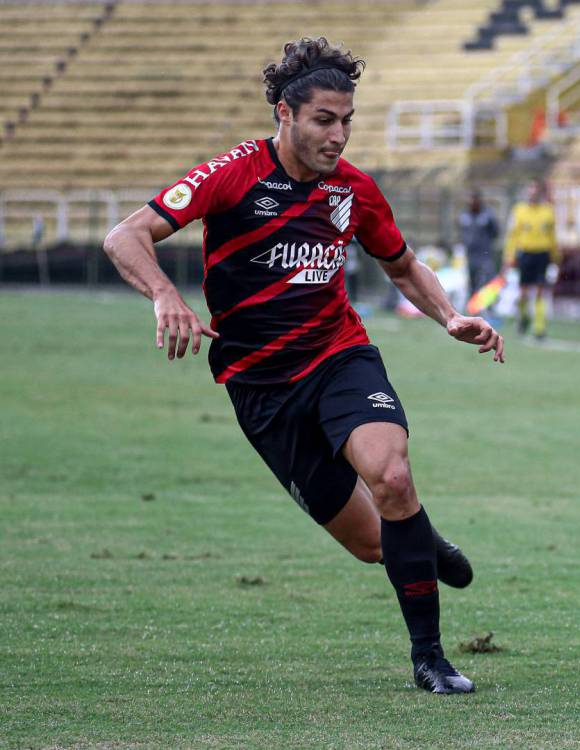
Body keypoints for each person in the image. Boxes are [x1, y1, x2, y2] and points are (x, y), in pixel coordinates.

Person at [101, 37, 504, 695]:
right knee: (373, 544)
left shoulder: (354, 189)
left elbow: (402, 265)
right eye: (324, 120)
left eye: (346, 121)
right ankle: (424, 543)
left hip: (338, 357)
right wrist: (165, 295)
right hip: (261, 388)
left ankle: (430, 659)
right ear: (285, 114)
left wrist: (450, 315)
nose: (338, 135)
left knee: (392, 476)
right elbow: (125, 235)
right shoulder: (232, 174)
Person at [504, 180, 558, 338]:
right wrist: (509, 256)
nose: (532, 192)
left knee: (540, 290)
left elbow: (552, 236)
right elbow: (513, 235)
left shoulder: (548, 211)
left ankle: (539, 328)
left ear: (540, 192)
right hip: (525, 254)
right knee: (523, 291)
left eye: (535, 188)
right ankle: (523, 317)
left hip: (542, 254)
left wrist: (556, 256)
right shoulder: (519, 210)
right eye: (530, 188)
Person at [458, 189, 500, 295]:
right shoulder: (464, 215)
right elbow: (462, 232)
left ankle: (490, 303)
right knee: (472, 282)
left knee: (488, 280)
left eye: (474, 199)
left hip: (485, 255)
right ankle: (472, 303)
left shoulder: (488, 215)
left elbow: (495, 232)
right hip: (470, 255)